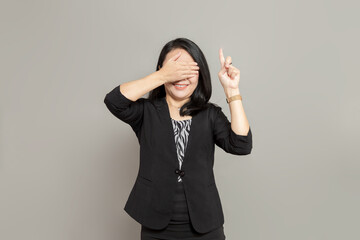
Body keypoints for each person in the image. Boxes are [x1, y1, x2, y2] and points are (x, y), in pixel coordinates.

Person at [104, 37, 252, 240]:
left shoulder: (210, 114)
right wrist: (162, 75)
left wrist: (232, 90)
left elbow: (241, 145)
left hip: (206, 224)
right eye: (175, 69)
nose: (180, 76)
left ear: (199, 74)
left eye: (188, 70)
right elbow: (114, 101)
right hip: (155, 223)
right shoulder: (146, 112)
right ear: (161, 70)